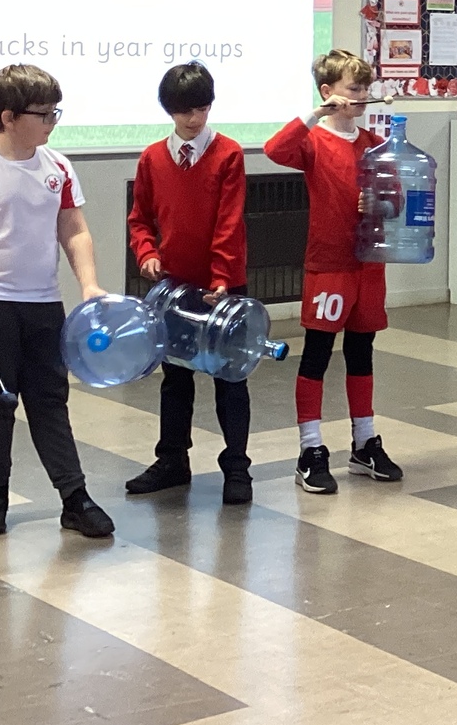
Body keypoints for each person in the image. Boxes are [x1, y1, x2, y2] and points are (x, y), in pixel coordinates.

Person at [0, 64, 113, 539]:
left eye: (56, 112)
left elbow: (74, 231)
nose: (52, 122)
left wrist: (89, 285)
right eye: (44, 114)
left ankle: (74, 498)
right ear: (9, 117)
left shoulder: (58, 167)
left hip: (43, 305)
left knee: (50, 401)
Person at [264, 50, 402, 495]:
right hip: (329, 265)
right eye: (352, 89)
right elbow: (275, 149)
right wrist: (315, 114)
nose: (361, 96)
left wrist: (382, 202)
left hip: (368, 265)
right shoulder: (314, 141)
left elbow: (396, 198)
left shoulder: (374, 144)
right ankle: (310, 449)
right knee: (318, 354)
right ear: (329, 92)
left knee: (362, 353)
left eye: (365, 89)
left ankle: (364, 442)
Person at [126, 63, 254, 506]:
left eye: (202, 109)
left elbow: (229, 222)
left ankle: (237, 467)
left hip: (223, 286)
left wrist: (221, 277)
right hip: (175, 287)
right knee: (175, 378)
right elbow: (140, 218)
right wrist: (147, 253)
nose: (194, 119)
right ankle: (172, 461)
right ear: (169, 110)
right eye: (184, 111)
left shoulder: (229, 154)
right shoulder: (152, 158)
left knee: (230, 378)